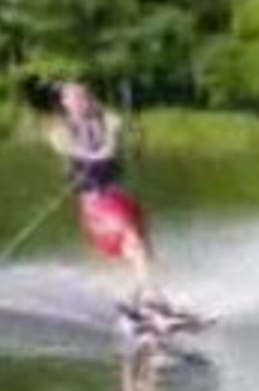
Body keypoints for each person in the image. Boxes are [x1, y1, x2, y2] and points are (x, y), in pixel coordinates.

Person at [44, 81, 179, 318]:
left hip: (120, 197)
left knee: (143, 251)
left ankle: (139, 298)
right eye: (74, 98)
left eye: (84, 97)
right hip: (96, 203)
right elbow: (82, 153)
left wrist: (120, 134)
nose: (80, 102)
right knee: (134, 243)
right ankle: (152, 299)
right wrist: (107, 144)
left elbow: (123, 147)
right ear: (65, 104)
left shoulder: (106, 122)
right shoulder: (59, 132)